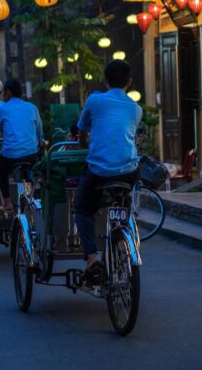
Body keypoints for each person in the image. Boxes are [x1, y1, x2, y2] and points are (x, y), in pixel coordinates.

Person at [73, 60, 142, 280]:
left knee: (82, 209)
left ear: (105, 80)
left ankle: (92, 258)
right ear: (129, 82)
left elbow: (82, 131)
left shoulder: (94, 100)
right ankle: (123, 231)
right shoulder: (136, 109)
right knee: (124, 199)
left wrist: (84, 143)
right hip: (128, 171)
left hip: (99, 171)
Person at [0, 79, 43, 215]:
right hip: (31, 154)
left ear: (8, 93)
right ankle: (37, 196)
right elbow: (39, 130)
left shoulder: (2, 109)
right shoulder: (32, 107)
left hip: (10, 156)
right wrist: (40, 140)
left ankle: (7, 202)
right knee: (37, 172)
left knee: (0, 172)